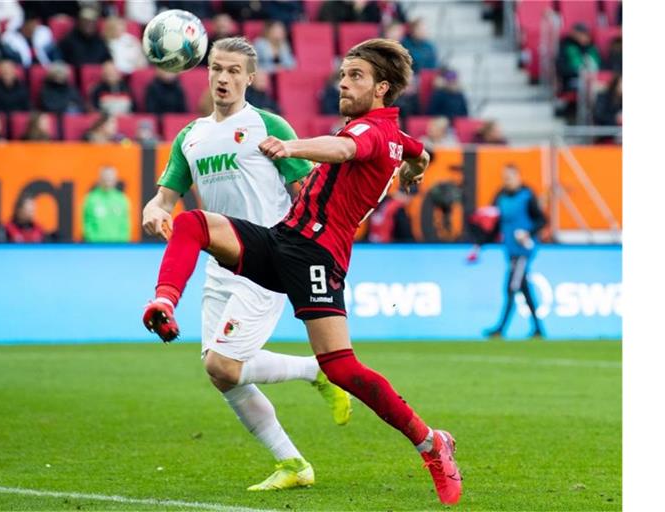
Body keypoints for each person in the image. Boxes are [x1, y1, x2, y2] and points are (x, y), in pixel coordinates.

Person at [142, 38, 462, 505]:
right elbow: (417, 149)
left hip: (318, 256)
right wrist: (418, 165)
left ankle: (432, 443)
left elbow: (344, 150)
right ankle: (163, 302)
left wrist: (290, 145)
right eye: (343, 74)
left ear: (382, 89)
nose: (343, 83)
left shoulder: (368, 133)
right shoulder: (392, 133)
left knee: (343, 368)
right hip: (283, 238)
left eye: (356, 77)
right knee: (193, 223)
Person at [140, 36, 351, 492]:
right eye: (217, 68)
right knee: (220, 373)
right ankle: (293, 462)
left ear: (250, 78)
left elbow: (311, 194)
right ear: (206, 70)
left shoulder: (268, 125)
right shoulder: (190, 137)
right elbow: (164, 198)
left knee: (226, 364)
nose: (223, 77)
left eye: (235, 70)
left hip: (268, 260)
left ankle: (315, 373)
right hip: (220, 265)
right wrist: (155, 210)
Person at [470, 164, 546, 339]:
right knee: (524, 288)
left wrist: (528, 233)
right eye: (504, 178)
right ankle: (538, 329)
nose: (507, 181)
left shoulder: (527, 195)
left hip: (523, 250)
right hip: (510, 249)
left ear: (518, 177)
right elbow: (495, 224)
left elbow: (541, 220)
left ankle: (501, 328)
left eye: (509, 178)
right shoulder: (501, 196)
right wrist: (481, 243)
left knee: (512, 286)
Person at [82, 166, 131, 242]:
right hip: (96, 246)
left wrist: (122, 242)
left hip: (118, 246)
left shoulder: (121, 199)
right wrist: (93, 240)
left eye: (110, 178)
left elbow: (125, 224)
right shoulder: (91, 199)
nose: (107, 180)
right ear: (99, 179)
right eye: (105, 177)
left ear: (115, 180)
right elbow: (87, 224)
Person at [556, 23, 601, 97]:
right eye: (581, 33)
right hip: (572, 80)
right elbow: (561, 68)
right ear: (574, 33)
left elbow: (601, 65)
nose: (584, 36)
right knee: (588, 87)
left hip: (594, 79)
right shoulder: (565, 46)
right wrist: (580, 72)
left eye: (585, 34)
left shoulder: (592, 47)